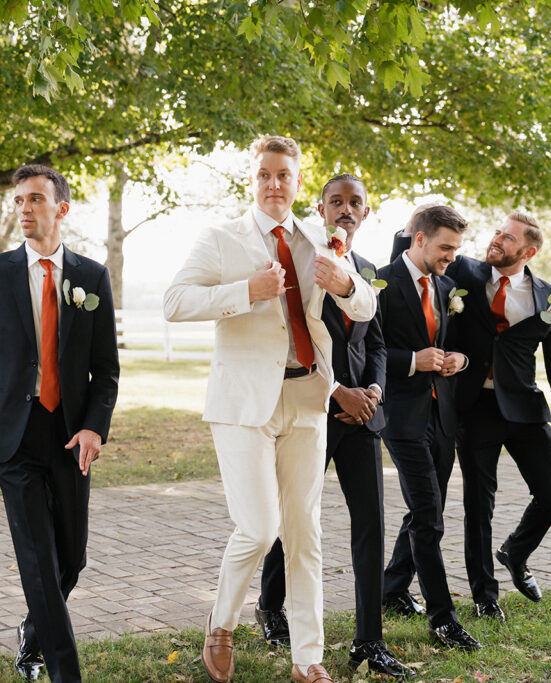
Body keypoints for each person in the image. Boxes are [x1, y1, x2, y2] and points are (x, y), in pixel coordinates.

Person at [164, 136, 376, 683]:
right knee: (258, 529)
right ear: (251, 180)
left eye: (284, 175)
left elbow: (367, 304)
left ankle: (308, 658)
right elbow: (176, 302)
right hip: (242, 404)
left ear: (298, 181)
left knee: (305, 532)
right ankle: (223, 619)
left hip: (308, 397)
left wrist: (347, 282)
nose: (274, 184)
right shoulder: (220, 238)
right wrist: (247, 289)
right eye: (264, 175)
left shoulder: (318, 237)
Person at [0, 165, 119, 683]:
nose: (24, 209)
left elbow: (106, 370)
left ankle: (33, 633)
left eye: (35, 199)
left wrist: (95, 427)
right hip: (13, 434)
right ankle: (60, 670)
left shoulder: (91, 276)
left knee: (69, 559)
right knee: (36, 557)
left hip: (71, 435)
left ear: (62, 208)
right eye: (19, 201)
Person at [254, 174, 410, 678]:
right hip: (311, 409)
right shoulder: (300, 262)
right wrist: (335, 389)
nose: (346, 209)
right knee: (292, 518)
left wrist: (374, 392)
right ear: (320, 209)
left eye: (355, 202)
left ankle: (369, 641)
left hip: (363, 416)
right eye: (336, 201)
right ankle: (269, 605)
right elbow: (295, 337)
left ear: (366, 211)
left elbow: (379, 344)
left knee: (370, 527)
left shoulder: (366, 271)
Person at [392, 212, 551, 619]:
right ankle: (485, 596)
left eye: (507, 238)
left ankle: (515, 551)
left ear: (526, 251)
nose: (496, 241)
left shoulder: (550, 298)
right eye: (496, 232)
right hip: (474, 408)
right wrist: (408, 229)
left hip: (525, 408)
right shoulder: (464, 271)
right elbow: (409, 259)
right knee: (479, 506)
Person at [377, 204, 481, 650]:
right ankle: (443, 618)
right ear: (418, 239)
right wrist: (410, 362)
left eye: (456, 249)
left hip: (442, 415)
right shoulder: (379, 282)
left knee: (425, 509)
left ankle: (393, 588)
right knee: (429, 517)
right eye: (444, 248)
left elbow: (452, 344)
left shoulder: (447, 286)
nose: (451, 257)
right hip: (401, 416)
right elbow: (367, 350)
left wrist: (460, 358)